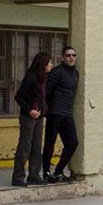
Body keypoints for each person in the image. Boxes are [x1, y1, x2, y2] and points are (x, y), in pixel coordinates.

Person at [12, 52, 53, 187]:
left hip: (39, 116)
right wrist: (30, 110)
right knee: (25, 145)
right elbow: (19, 96)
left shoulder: (43, 79)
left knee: (36, 146)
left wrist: (44, 109)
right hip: (28, 116)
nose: (51, 65)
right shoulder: (31, 78)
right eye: (49, 63)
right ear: (43, 64)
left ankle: (34, 175)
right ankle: (18, 176)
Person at [42, 46, 80, 183]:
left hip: (67, 113)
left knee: (73, 142)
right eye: (68, 55)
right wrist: (48, 108)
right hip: (55, 112)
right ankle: (46, 173)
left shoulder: (75, 74)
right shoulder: (56, 72)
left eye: (73, 55)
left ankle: (58, 171)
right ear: (63, 57)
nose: (71, 58)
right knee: (50, 142)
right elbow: (47, 91)